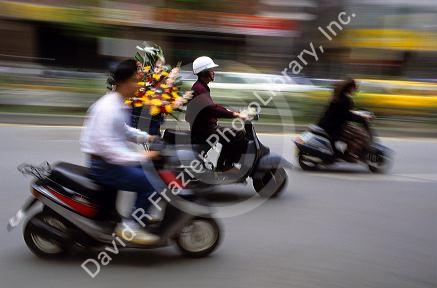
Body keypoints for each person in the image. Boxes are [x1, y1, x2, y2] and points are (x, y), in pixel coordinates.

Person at [80, 59, 161, 244]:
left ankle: (141, 213)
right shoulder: (108, 108)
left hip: (109, 161)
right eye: (135, 80)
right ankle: (130, 227)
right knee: (151, 183)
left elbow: (123, 130)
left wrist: (147, 137)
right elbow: (107, 149)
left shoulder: (117, 102)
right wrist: (140, 155)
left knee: (153, 171)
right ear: (124, 82)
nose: (138, 84)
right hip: (104, 165)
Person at [185, 56, 247, 170]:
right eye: (211, 70)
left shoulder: (201, 87)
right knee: (238, 133)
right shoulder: (199, 89)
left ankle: (224, 163)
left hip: (205, 127)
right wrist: (235, 115)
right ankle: (226, 165)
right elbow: (212, 109)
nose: (214, 72)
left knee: (230, 133)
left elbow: (212, 107)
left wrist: (232, 112)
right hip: (205, 130)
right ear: (204, 72)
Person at [317, 78, 373, 160]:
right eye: (355, 88)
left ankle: (346, 152)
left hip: (328, 124)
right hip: (335, 127)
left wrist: (360, 113)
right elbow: (347, 115)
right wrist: (362, 117)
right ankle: (349, 154)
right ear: (350, 88)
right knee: (362, 135)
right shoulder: (345, 99)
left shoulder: (339, 96)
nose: (355, 90)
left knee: (355, 131)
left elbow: (345, 112)